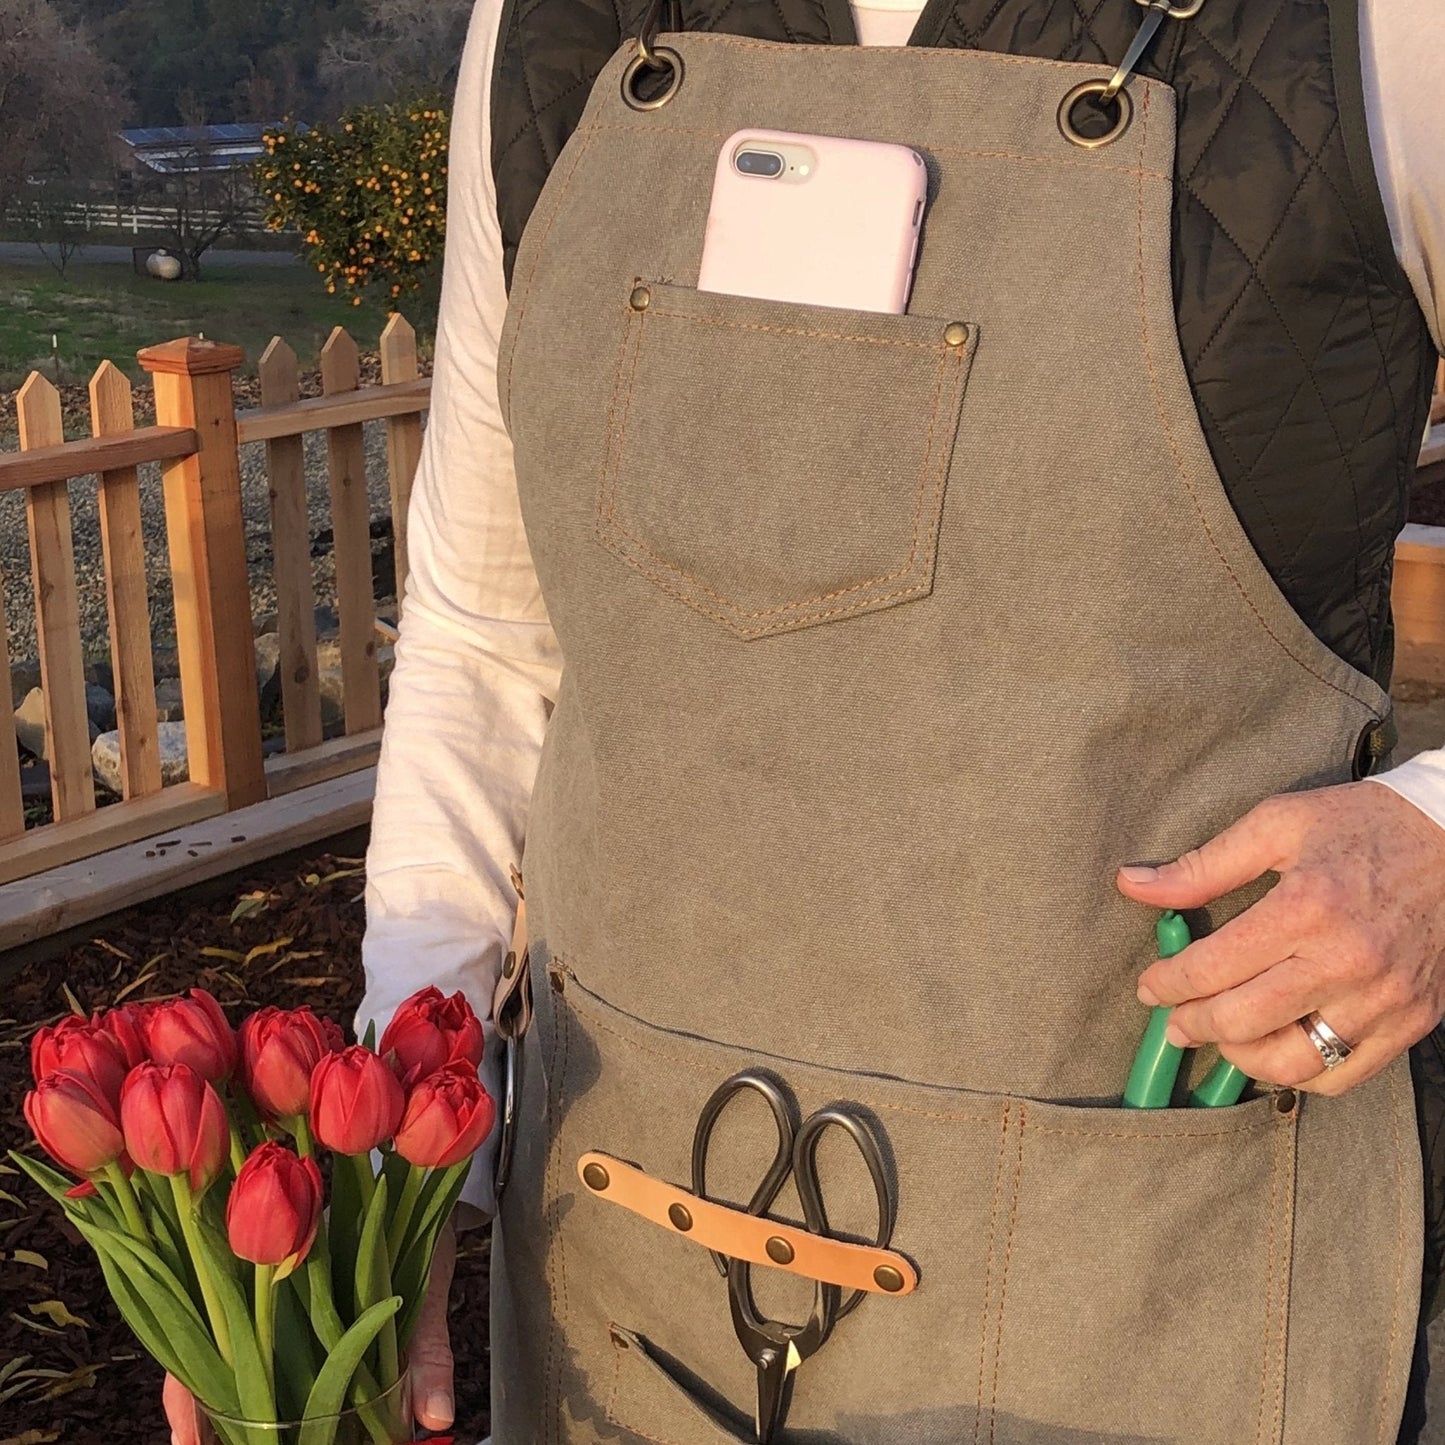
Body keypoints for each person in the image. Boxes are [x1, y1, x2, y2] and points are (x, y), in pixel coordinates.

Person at [168, 1, 1445, 1441]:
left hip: (1146, 1272)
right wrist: (403, 1162)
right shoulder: (545, 33)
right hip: (624, 1250)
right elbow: (484, 630)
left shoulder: (1379, 33)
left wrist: (1431, 844)